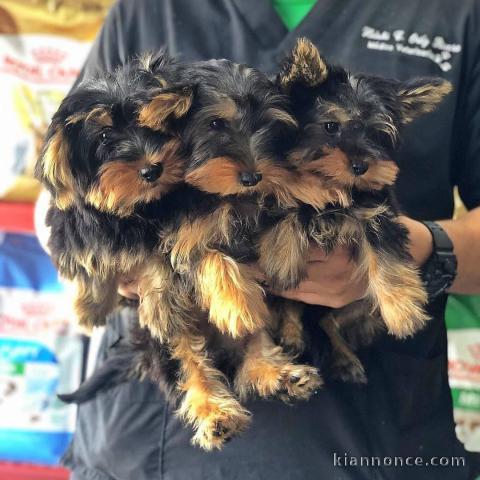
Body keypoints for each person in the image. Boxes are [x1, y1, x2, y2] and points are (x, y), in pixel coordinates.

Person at [39, 0, 480, 478]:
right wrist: (117, 261)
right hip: (147, 441)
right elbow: (65, 180)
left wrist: (416, 249)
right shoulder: (146, 9)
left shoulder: (458, 13)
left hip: (370, 436)